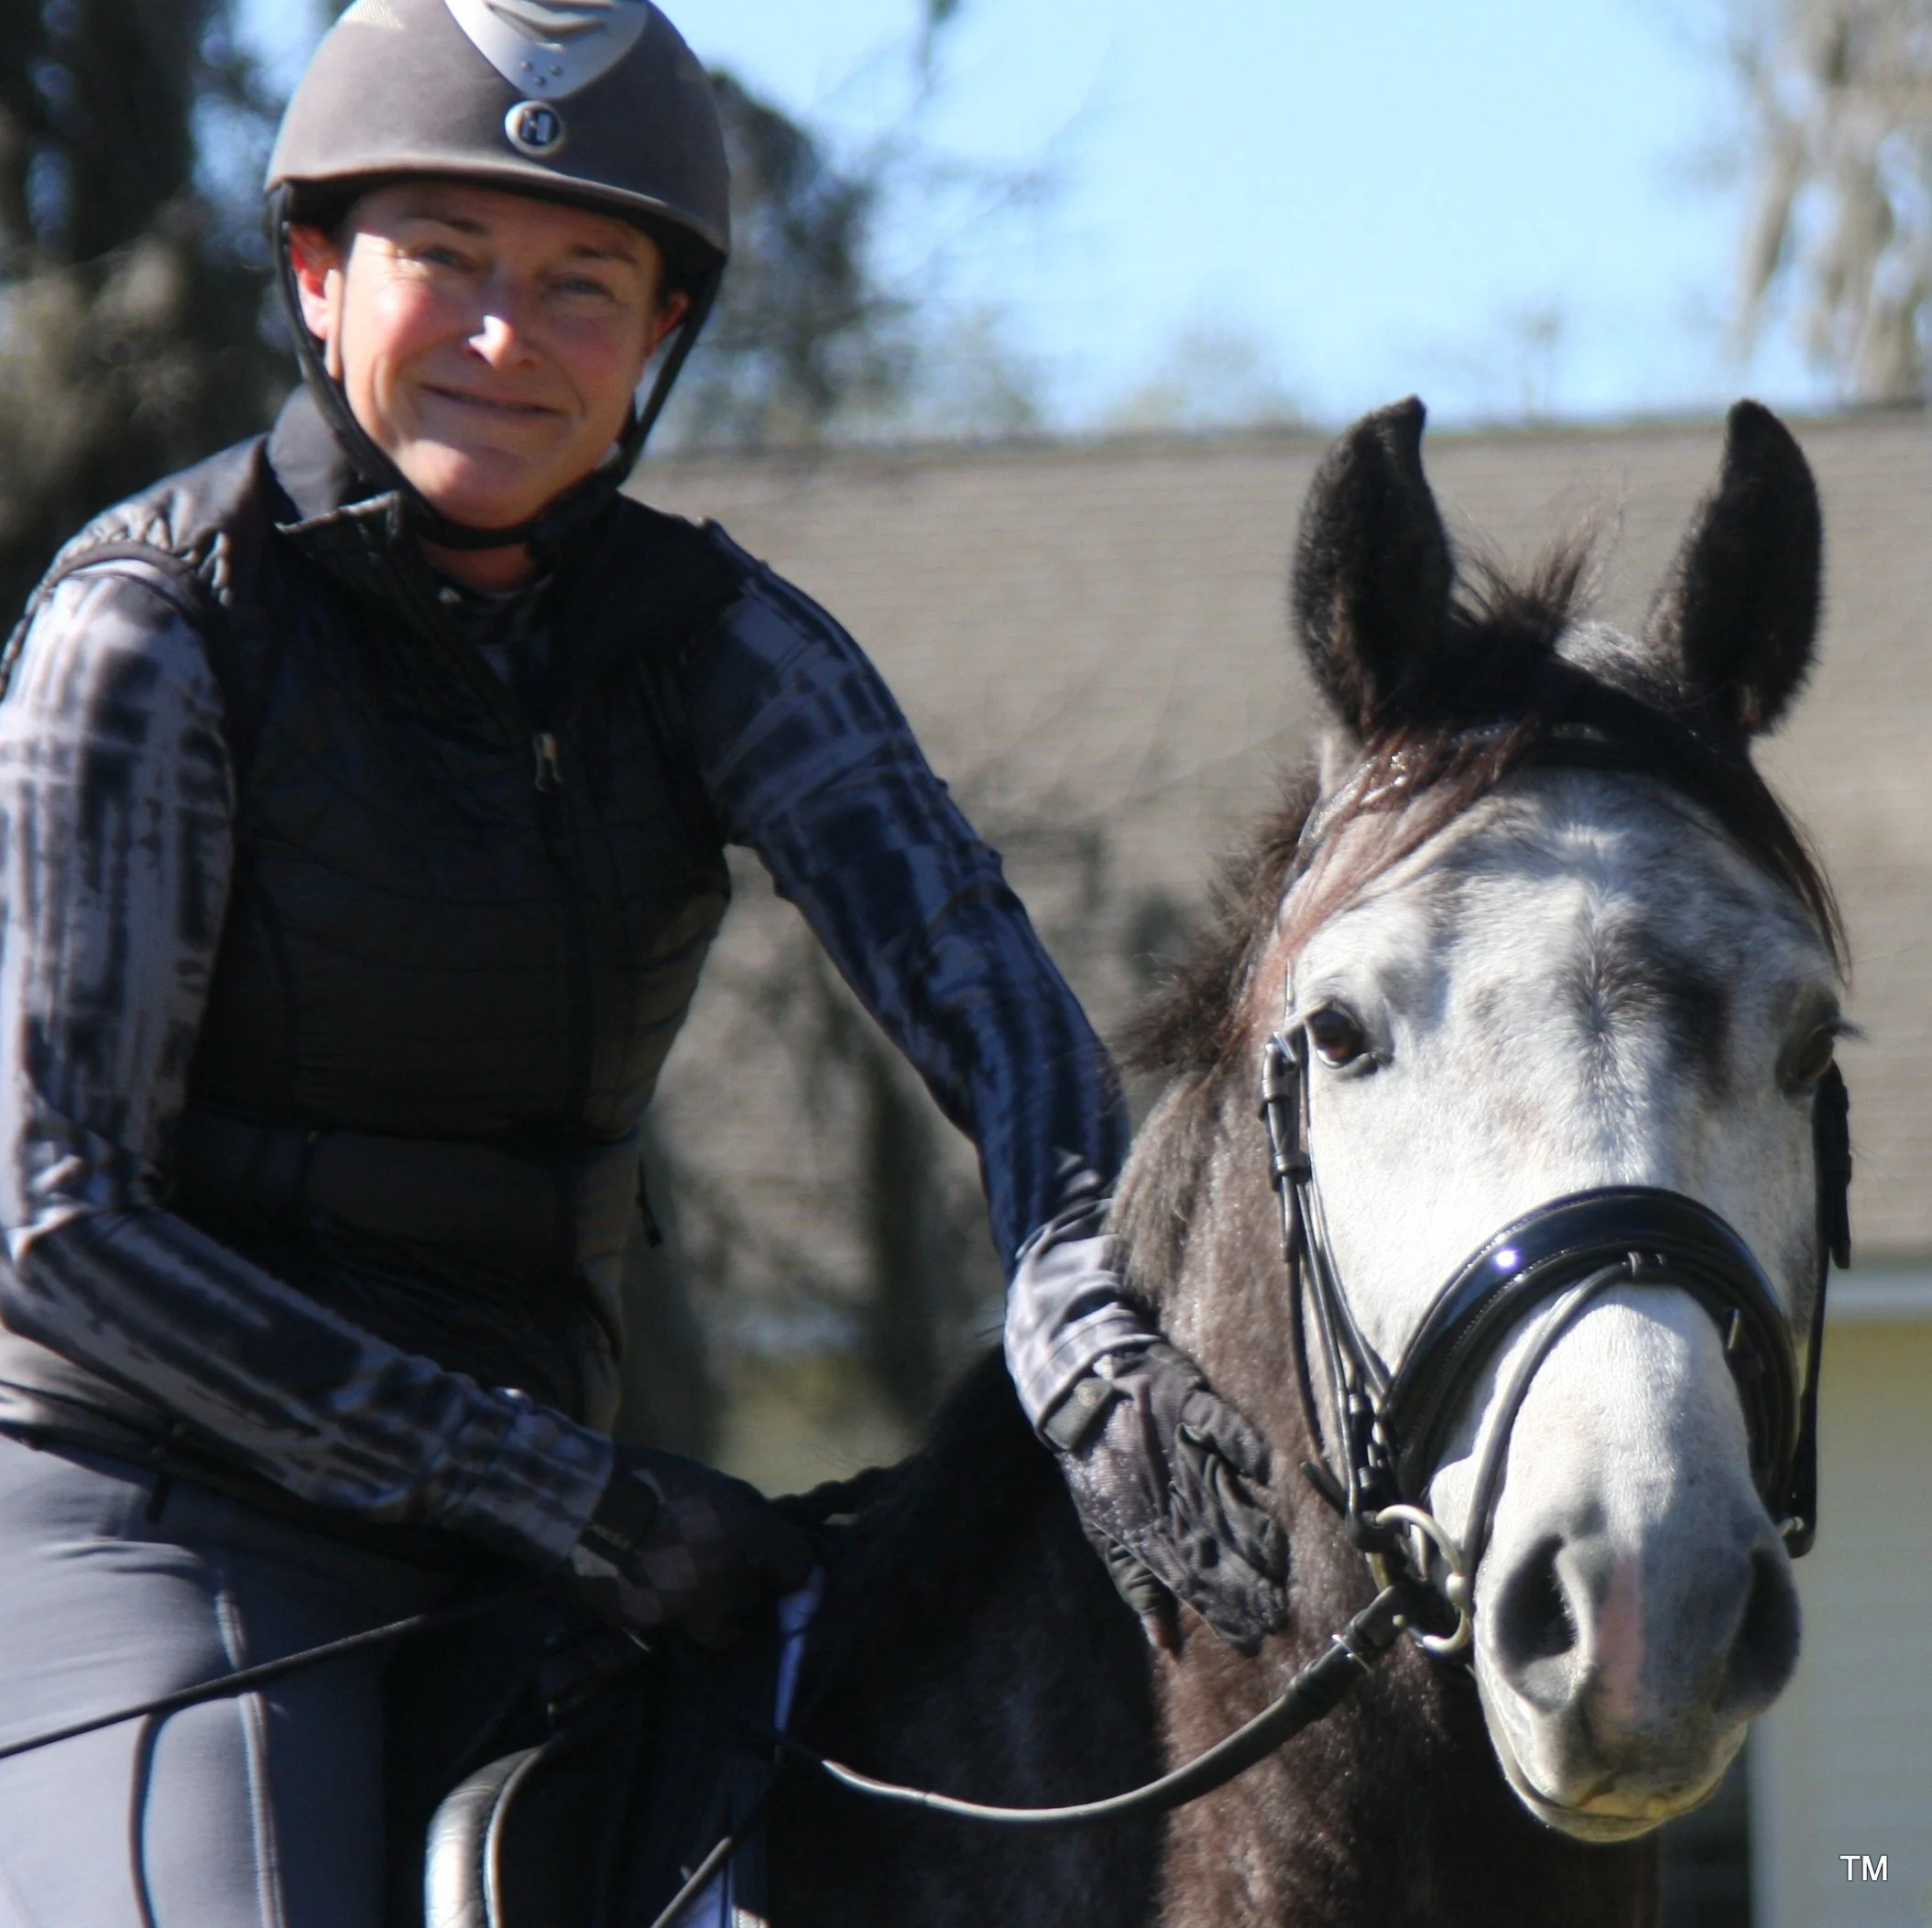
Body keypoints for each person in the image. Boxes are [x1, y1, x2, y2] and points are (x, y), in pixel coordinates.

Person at [0, 2, 1286, 1922]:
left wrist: (1077, 1299)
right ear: (316, 271)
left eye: (583, 283)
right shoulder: (154, 634)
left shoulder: (720, 642)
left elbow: (983, 988)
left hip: (547, 1545)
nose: (511, 337)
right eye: (446, 260)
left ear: (661, 339)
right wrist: (550, 1485)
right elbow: (54, 1214)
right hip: (160, 1521)